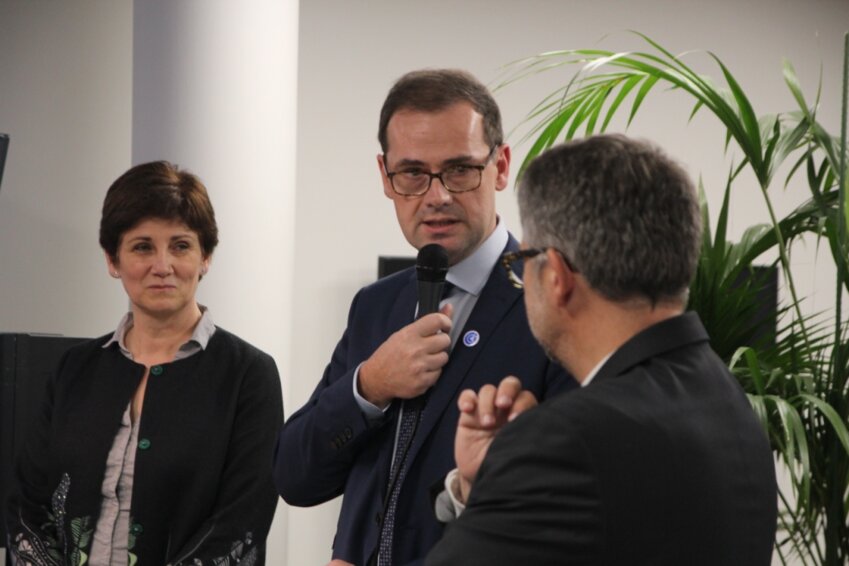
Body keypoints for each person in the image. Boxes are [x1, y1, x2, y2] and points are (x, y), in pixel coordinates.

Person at [426, 134, 779, 565]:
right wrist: (484, 486)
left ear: (555, 275)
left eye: (522, 263)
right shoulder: (727, 400)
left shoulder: (565, 440)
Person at [274, 69, 575, 566]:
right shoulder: (375, 306)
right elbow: (295, 477)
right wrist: (369, 386)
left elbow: (568, 506)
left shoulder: (553, 300)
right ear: (385, 177)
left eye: (459, 170)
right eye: (412, 173)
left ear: (500, 166)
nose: (436, 196)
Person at [5, 161, 284, 565]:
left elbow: (242, 521)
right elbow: (25, 502)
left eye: (181, 245)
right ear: (112, 260)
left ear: (205, 257)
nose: (162, 266)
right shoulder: (73, 370)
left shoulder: (249, 375)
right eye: (142, 247)